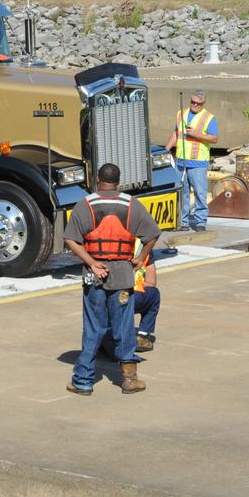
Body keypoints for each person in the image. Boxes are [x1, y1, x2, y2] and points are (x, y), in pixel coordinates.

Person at [64, 163, 160, 396]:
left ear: (98, 179)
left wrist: (91, 262)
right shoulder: (131, 205)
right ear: (119, 181)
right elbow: (153, 233)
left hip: (94, 275)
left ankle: (83, 381)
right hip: (123, 275)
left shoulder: (86, 204)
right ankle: (129, 379)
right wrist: (140, 258)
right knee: (124, 327)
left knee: (94, 327)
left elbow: (70, 239)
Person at [165, 88, 219, 231]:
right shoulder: (181, 114)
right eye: (192, 102)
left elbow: (214, 138)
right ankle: (183, 221)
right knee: (182, 193)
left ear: (203, 104)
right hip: (181, 161)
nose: (194, 105)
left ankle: (200, 221)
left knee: (200, 193)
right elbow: (176, 133)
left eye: (198, 103)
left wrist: (196, 134)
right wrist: (166, 149)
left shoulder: (209, 118)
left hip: (198, 163)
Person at [132, 240, 161, 352]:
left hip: (105, 294)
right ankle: (143, 336)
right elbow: (151, 282)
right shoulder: (142, 246)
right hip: (132, 294)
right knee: (154, 294)